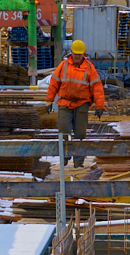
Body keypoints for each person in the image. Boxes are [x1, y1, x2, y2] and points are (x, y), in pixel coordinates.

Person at [46, 39, 107, 167]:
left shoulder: (89, 68)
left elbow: (97, 87)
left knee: (79, 134)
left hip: (81, 104)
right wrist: (49, 101)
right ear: (71, 53)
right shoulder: (63, 65)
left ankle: (78, 162)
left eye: (80, 55)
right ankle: (65, 156)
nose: (77, 57)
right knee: (64, 131)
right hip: (65, 103)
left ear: (83, 54)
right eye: (75, 54)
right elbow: (54, 83)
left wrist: (100, 106)